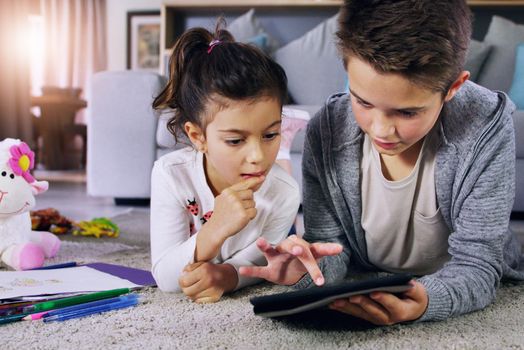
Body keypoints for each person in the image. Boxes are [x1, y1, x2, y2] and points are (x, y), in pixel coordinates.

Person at [240, 0, 524, 324]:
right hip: (370, 269)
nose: (381, 129)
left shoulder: (485, 127)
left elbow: (478, 266)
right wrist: (307, 270)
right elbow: (330, 245)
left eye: (407, 112)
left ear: (453, 88)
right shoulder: (328, 130)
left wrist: (428, 301)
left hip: (448, 278)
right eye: (363, 102)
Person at [150, 24, 301, 303]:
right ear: (198, 137)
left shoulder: (285, 192)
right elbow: (165, 278)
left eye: (270, 135)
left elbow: (257, 265)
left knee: (289, 251)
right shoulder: (171, 175)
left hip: (278, 231)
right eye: (235, 141)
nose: (257, 156)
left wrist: (225, 276)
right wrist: (215, 228)